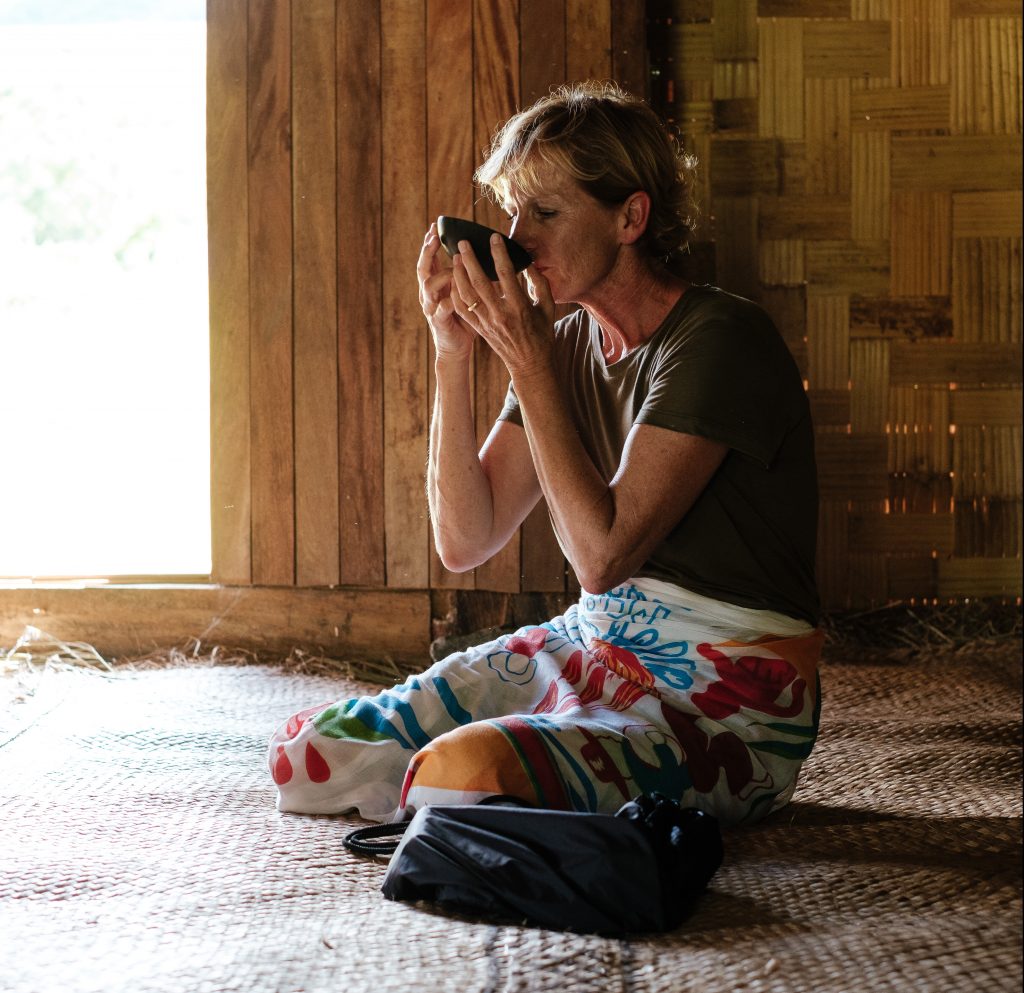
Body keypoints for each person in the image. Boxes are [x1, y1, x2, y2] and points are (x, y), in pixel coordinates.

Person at [268, 81, 822, 827]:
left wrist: (528, 367)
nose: (518, 239)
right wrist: (453, 353)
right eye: (513, 212)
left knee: (460, 775)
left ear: (630, 217)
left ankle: (523, 762)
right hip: (591, 646)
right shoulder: (561, 345)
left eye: (547, 212)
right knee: (314, 755)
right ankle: (537, 744)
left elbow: (601, 557)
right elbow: (466, 539)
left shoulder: (719, 339)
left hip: (723, 702)